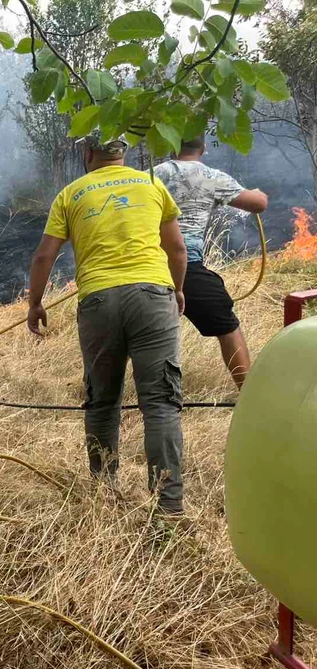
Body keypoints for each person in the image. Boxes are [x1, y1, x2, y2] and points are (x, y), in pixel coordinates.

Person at [26, 135, 189, 515]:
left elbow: (43, 256)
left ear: (88, 154)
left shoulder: (71, 193)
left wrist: (35, 303)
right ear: (124, 153)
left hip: (98, 302)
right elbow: (177, 249)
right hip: (153, 297)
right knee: (161, 404)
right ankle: (168, 509)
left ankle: (104, 493)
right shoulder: (151, 183)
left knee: (102, 403)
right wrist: (177, 290)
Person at [153, 136, 269, 388]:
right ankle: (247, 392)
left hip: (147, 266)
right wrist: (258, 193)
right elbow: (258, 204)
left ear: (173, 146)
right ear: (203, 149)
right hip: (189, 268)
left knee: (137, 332)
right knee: (228, 327)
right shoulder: (213, 176)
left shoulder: (153, 174)